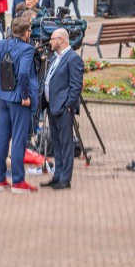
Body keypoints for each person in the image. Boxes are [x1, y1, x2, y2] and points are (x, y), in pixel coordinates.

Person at [0, 17, 39, 194]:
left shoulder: (2, 44)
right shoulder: (27, 49)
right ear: (27, 32)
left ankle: (0, 179)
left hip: (4, 97)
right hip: (19, 100)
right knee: (19, 139)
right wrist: (25, 95)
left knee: (3, 138)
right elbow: (23, 73)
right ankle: (18, 181)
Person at [41, 29, 84, 190]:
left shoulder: (73, 59)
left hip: (63, 108)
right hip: (52, 107)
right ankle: (57, 175)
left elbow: (76, 86)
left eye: (52, 39)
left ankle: (66, 178)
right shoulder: (55, 58)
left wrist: (68, 106)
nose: (49, 42)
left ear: (61, 40)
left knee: (66, 144)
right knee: (57, 144)